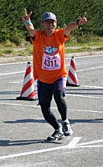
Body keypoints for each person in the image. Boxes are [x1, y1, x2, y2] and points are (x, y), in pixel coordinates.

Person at [22, 8, 87, 141]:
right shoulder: (38, 36)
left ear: (56, 24)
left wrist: (78, 22)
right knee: (45, 110)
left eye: (52, 22)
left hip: (58, 76)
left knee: (59, 97)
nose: (50, 25)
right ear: (42, 24)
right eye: (47, 22)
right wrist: (27, 21)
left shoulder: (59, 35)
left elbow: (69, 27)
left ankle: (65, 122)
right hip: (43, 79)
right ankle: (57, 129)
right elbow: (31, 30)